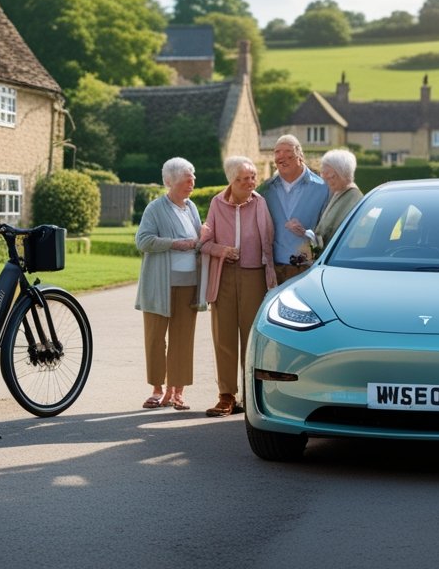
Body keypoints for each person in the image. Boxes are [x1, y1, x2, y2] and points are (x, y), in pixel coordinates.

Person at [199, 155, 277, 417]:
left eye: (253, 177)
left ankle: (250, 395)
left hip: (253, 275)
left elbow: (268, 244)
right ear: (231, 181)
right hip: (224, 275)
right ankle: (226, 395)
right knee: (224, 337)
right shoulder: (216, 203)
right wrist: (221, 250)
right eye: (243, 179)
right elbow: (205, 242)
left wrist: (270, 280)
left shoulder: (260, 203)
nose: (250, 183)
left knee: (251, 339)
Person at [134, 158, 202, 411]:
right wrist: (174, 243)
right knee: (155, 338)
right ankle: (157, 389)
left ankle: (177, 391)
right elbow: (143, 241)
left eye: (193, 176)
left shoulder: (191, 207)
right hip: (159, 286)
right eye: (187, 178)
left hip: (188, 285)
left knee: (182, 339)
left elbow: (197, 240)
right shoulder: (155, 208)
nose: (192, 182)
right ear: (169, 181)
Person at [262, 135, 330, 283]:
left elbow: (329, 230)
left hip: (308, 270)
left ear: (300, 155)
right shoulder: (265, 190)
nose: (281, 156)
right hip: (272, 270)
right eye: (277, 152)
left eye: (287, 151)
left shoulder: (323, 189)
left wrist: (307, 233)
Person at [309, 148, 363, 250]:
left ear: (343, 174)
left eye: (331, 177)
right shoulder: (337, 192)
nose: (326, 181)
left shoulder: (353, 198)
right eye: (324, 176)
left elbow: (337, 237)